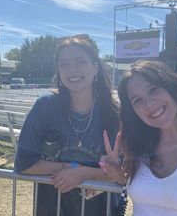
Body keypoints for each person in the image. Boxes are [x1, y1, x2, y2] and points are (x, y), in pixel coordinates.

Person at [101, 60, 177, 216]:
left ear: (172, 87)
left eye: (153, 90)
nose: (150, 104)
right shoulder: (139, 147)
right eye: (137, 100)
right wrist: (118, 173)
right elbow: (151, 191)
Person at [14, 34, 120, 216]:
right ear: (59, 72)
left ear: (95, 68)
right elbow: (23, 164)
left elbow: (123, 175)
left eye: (80, 62)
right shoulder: (45, 107)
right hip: (50, 208)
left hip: (100, 209)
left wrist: (83, 173)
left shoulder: (113, 114)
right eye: (64, 64)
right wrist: (71, 169)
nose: (72, 70)